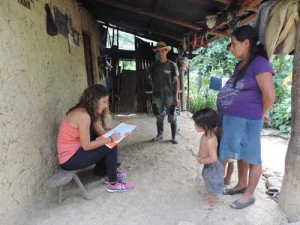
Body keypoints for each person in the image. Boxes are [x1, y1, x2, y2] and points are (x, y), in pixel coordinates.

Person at [217, 25, 275, 209]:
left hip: (249, 120)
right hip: (234, 119)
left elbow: (269, 96)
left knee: (253, 157)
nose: (232, 48)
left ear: (246, 43)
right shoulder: (242, 63)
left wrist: (259, 114)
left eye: (234, 44)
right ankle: (241, 184)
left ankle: (249, 195)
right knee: (241, 154)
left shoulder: (259, 63)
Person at [57, 84, 134, 193]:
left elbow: (102, 132)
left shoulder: (89, 112)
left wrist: (121, 130)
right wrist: (111, 139)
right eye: (104, 102)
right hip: (69, 160)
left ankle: (103, 171)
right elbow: (87, 146)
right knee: (110, 145)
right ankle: (113, 183)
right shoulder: (83, 116)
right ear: (95, 101)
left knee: (103, 139)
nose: (106, 106)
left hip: (76, 152)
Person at [145, 41, 180, 144]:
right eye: (158, 52)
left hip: (169, 95)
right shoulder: (154, 65)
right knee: (158, 115)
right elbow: (146, 74)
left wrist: (176, 97)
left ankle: (174, 137)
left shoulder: (172, 65)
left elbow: (177, 82)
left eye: (162, 51)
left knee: (172, 115)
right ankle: (160, 134)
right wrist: (152, 83)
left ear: (166, 51)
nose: (160, 53)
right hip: (157, 95)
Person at [192, 108, 224, 210]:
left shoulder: (210, 140)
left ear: (205, 125)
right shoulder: (206, 134)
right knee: (209, 181)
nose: (194, 126)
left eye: (196, 124)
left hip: (212, 167)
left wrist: (202, 160)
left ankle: (212, 203)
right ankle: (211, 197)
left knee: (212, 184)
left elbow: (213, 158)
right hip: (209, 166)